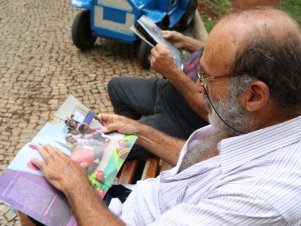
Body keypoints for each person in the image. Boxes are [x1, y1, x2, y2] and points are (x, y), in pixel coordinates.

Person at [27, 7, 301, 225]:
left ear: (254, 95)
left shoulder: (262, 197)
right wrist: (138, 130)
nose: (197, 85)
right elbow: (202, 163)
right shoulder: (262, 123)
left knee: (30, 204)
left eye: (205, 76)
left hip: (129, 216)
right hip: (141, 199)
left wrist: (76, 184)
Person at [108, 1, 281, 160]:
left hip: (184, 118)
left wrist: (173, 72)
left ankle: (138, 163)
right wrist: (185, 42)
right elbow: (216, 55)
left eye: (238, 11)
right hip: (169, 91)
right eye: (233, 8)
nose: (232, 14)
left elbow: (213, 112)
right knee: (116, 87)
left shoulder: (264, 53)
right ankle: (139, 145)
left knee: (116, 146)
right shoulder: (246, 29)